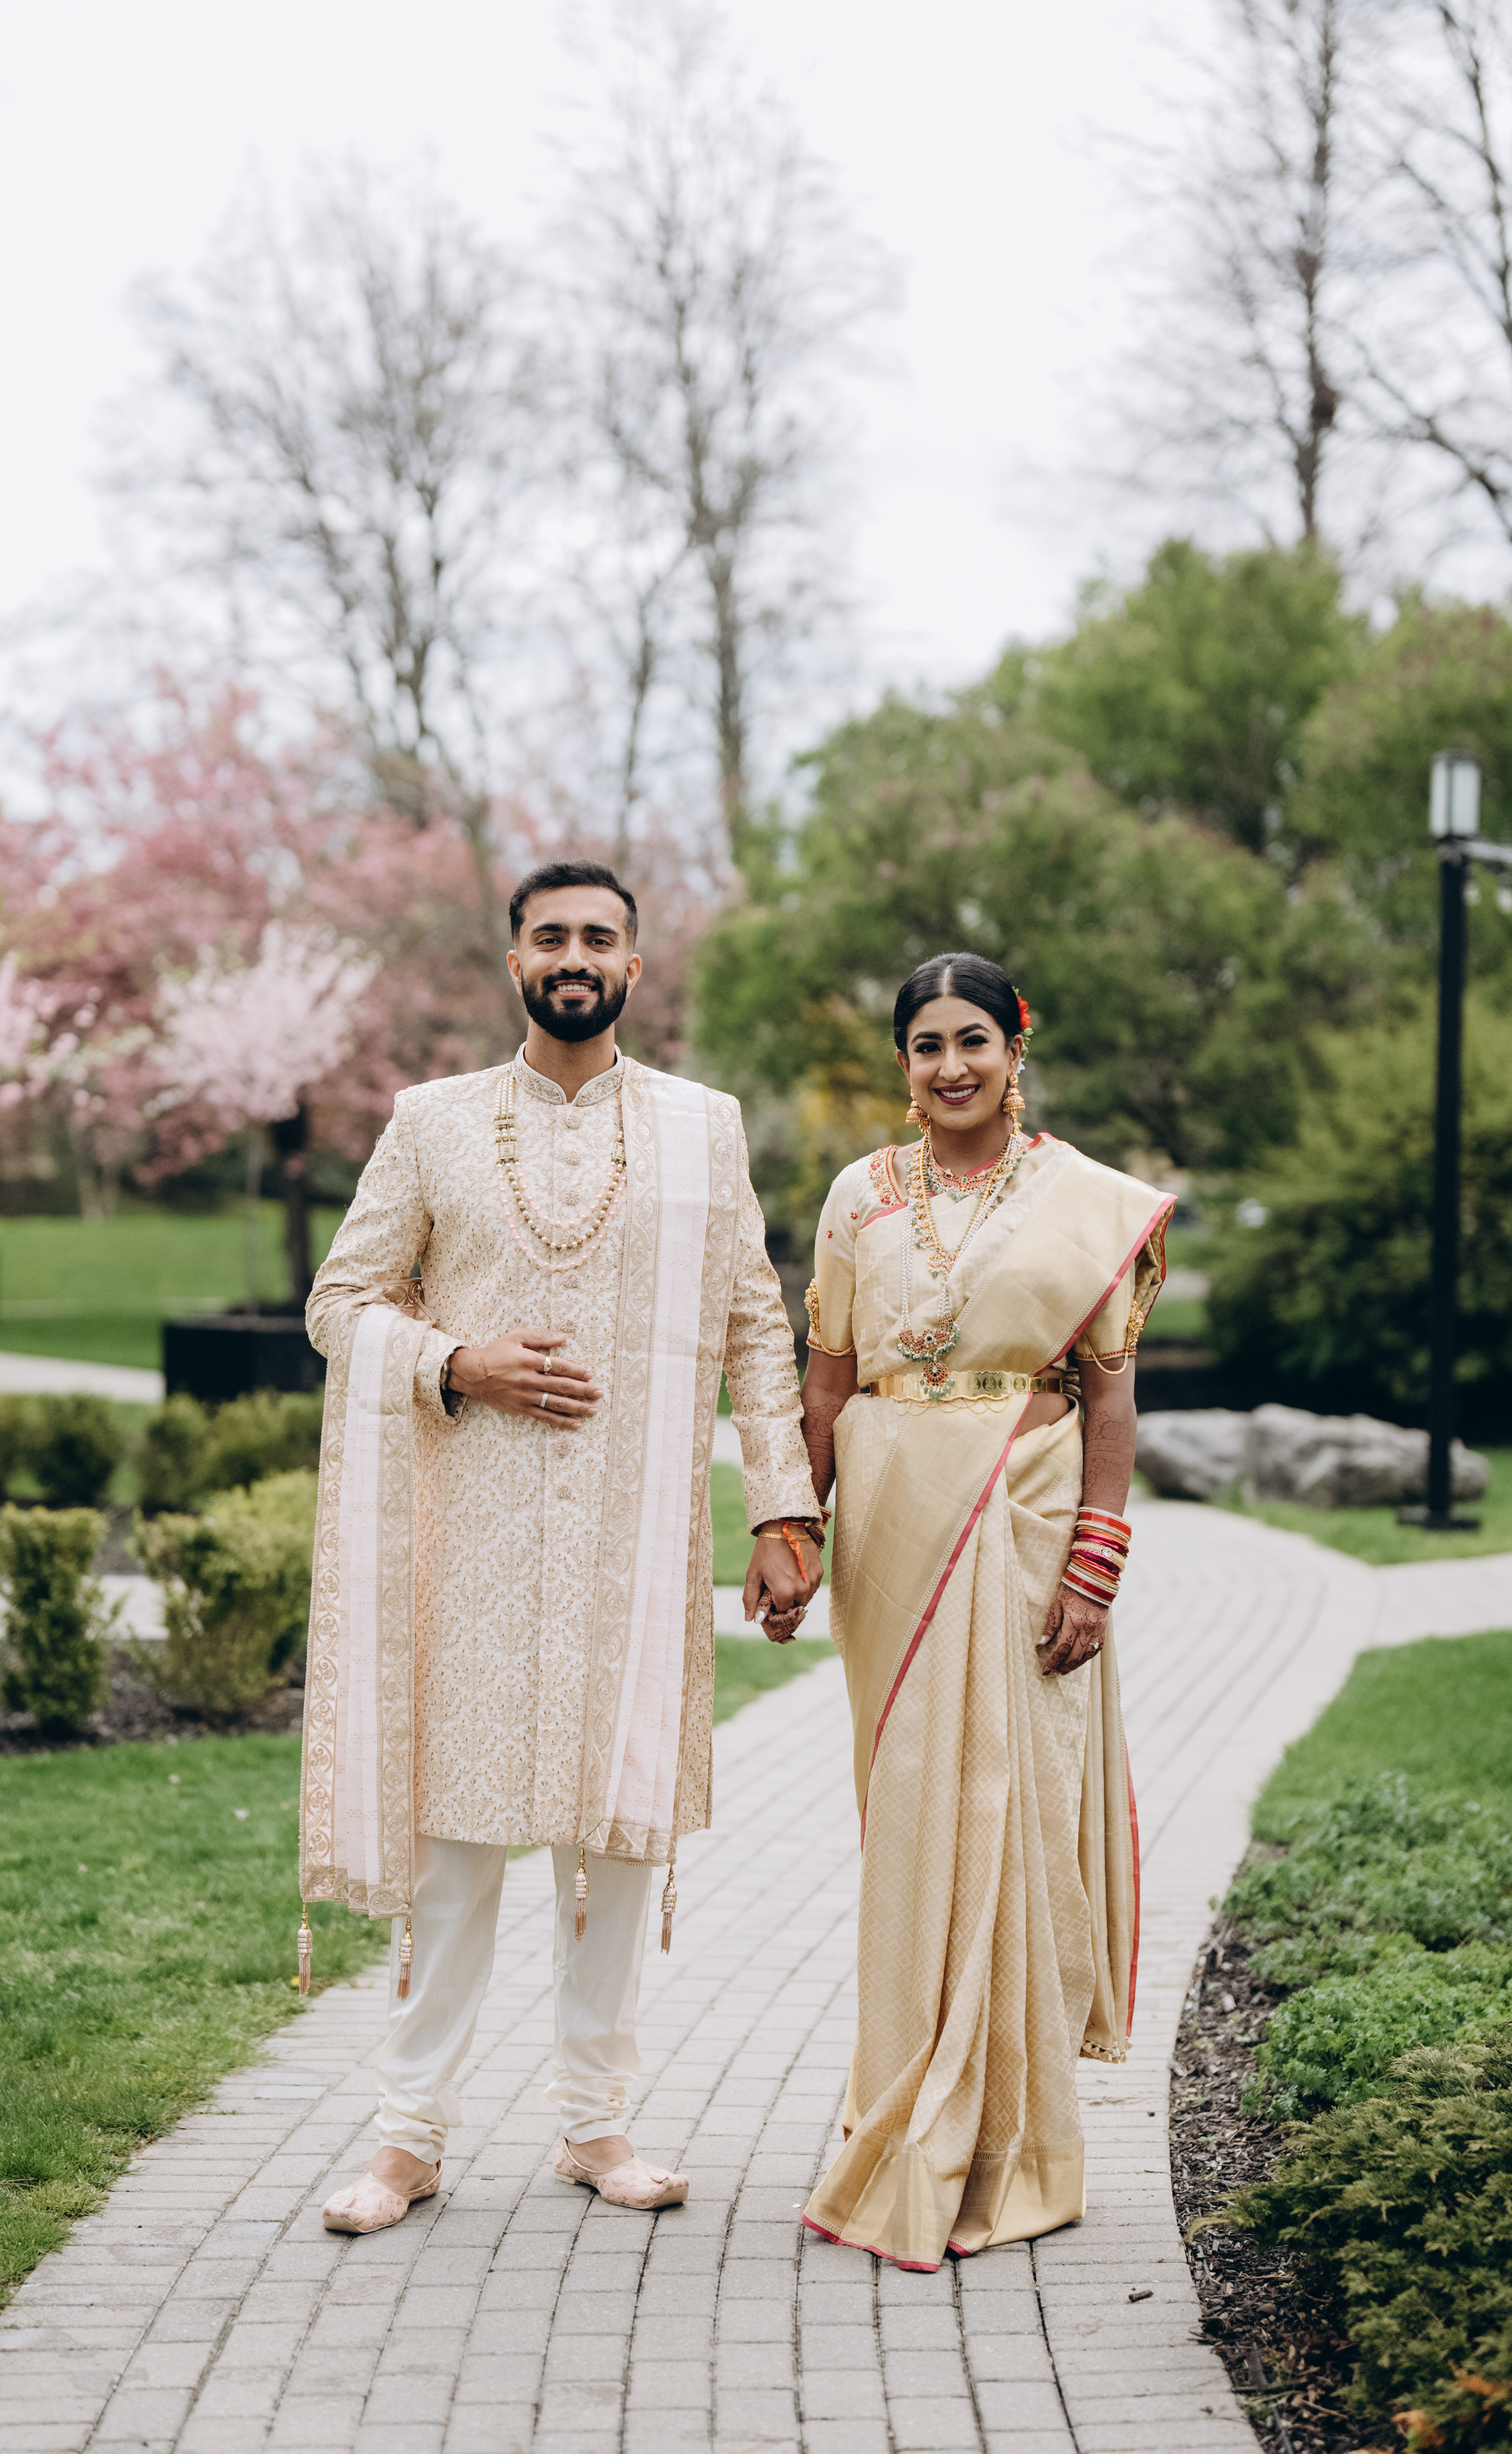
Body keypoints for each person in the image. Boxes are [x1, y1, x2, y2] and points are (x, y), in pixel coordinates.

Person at [297, 861, 824, 2234]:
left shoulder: (701, 1127)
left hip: (634, 1542)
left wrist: (783, 1511)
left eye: (598, 936)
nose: (573, 954)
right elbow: (339, 1303)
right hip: (468, 1535)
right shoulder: (431, 1121)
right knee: (455, 1849)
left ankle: (596, 2124)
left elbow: (755, 1326)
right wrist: (455, 1360)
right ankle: (406, 2137)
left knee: (617, 1839)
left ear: (634, 966)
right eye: (549, 936)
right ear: (514, 959)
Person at [796, 953, 1166, 2271]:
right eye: (924, 1044)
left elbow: (1109, 1394)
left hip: (1029, 1519)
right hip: (892, 1529)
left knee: (1014, 1809)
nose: (948, 1065)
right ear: (901, 1061)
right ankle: (902, 2107)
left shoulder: (1085, 1199)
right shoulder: (859, 1195)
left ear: (1016, 1045)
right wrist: (788, 1527)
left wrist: (1095, 1560)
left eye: (971, 1039)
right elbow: (827, 1379)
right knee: (912, 1813)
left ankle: (1009, 2139)